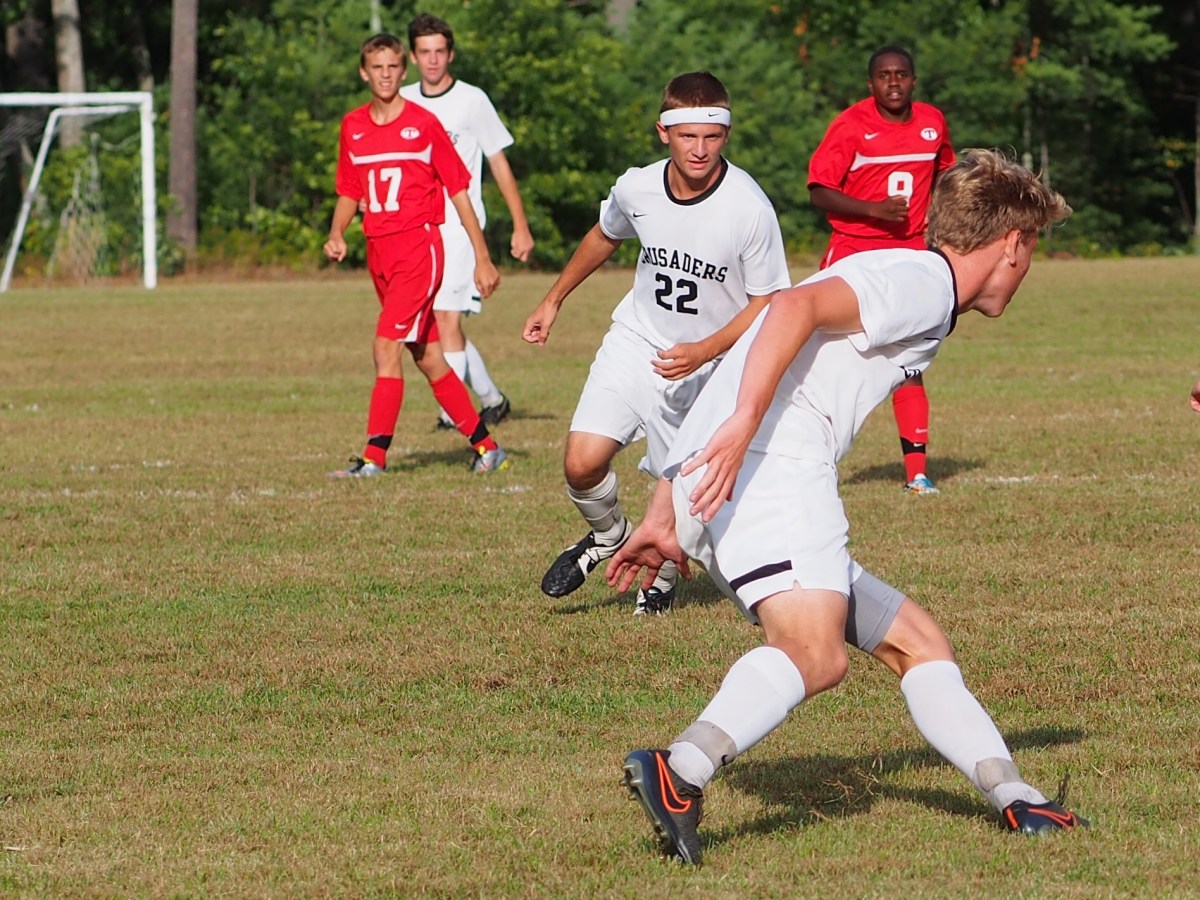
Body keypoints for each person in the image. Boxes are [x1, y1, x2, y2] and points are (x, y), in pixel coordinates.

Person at [608, 149, 1087, 865]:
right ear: (1013, 244)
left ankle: (1018, 798)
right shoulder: (924, 284)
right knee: (815, 653)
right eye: (1033, 250)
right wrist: (742, 427)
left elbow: (764, 329)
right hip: (771, 471)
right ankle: (680, 772)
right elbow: (791, 308)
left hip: (736, 474)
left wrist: (665, 502)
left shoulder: (905, 274)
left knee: (916, 642)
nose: (1027, 268)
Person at [522, 72, 791, 616]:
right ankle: (609, 534)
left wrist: (706, 350)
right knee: (581, 464)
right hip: (637, 339)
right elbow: (605, 235)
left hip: (709, 366)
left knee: (681, 494)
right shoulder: (637, 187)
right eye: (688, 136)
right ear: (663, 131)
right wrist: (553, 300)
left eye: (712, 137)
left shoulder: (749, 208)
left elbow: (770, 302)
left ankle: (662, 576)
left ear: (727, 133)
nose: (700, 150)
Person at [324, 33, 509, 477]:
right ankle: (487, 448)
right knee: (426, 354)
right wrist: (336, 233)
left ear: (403, 71)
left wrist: (482, 256)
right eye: (377, 67)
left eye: (393, 67)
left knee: (385, 345)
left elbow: (459, 191)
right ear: (364, 73)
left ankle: (374, 457)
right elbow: (349, 189)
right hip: (379, 253)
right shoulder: (353, 126)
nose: (386, 75)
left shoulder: (424, 125)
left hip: (418, 250)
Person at [808, 45, 956, 495]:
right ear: (870, 83)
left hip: (910, 254)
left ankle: (917, 474)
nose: (894, 82)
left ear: (914, 80)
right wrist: (873, 210)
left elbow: (947, 178)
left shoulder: (932, 122)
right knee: (825, 357)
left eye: (902, 74)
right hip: (853, 251)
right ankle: (812, 459)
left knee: (909, 358)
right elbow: (819, 191)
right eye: (884, 75)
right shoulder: (850, 125)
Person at [400, 13, 534, 431]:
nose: (433, 59)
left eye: (440, 51)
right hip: (418, 228)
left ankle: (451, 411)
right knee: (434, 323)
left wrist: (520, 225)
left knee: (446, 318)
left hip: (461, 226)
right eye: (425, 52)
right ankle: (492, 399)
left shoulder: (472, 100)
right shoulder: (402, 100)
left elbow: (499, 162)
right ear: (412, 56)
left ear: (451, 54)